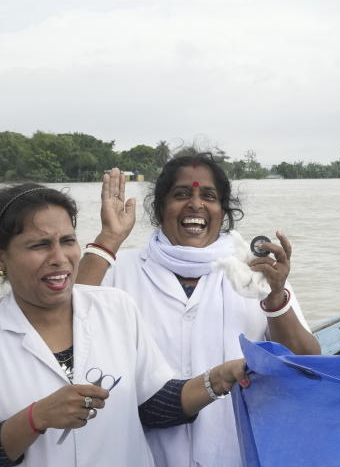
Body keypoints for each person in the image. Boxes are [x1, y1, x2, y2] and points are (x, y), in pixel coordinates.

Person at [77, 155, 321, 467]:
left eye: (208, 196)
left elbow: (308, 364)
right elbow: (70, 323)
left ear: (223, 211)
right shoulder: (119, 268)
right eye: (181, 195)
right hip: (140, 454)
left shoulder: (257, 274)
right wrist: (107, 239)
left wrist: (275, 297)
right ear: (161, 207)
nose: (195, 204)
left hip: (236, 454)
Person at [0, 183, 249, 467]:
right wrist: (35, 418)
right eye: (39, 245)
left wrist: (220, 378)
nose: (59, 258)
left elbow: (153, 404)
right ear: (2, 256)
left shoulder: (115, 307)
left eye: (68, 241)